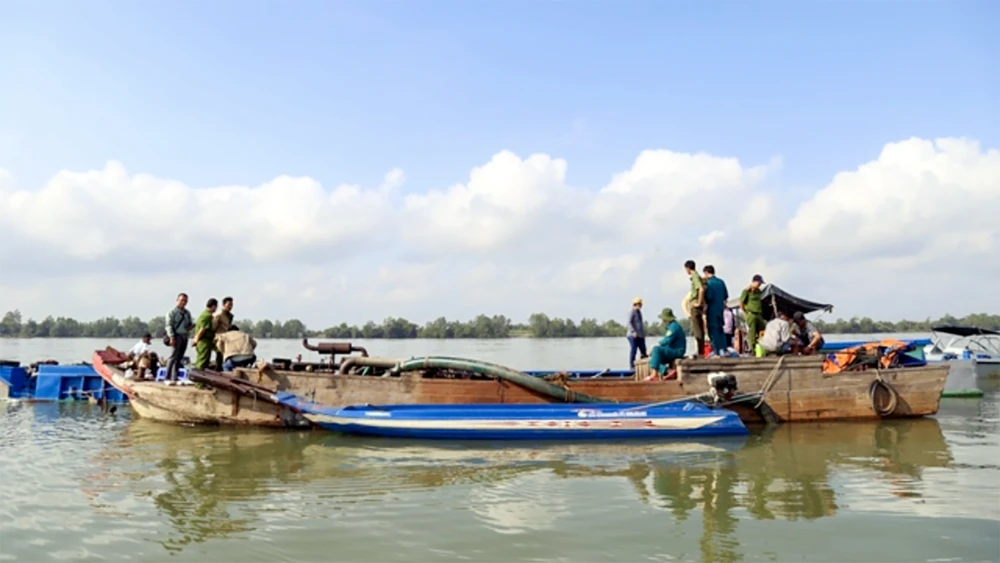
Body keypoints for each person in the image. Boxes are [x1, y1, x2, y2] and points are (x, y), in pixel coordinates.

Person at [164, 293, 194, 384]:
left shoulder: (187, 313)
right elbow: (169, 326)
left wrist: (191, 327)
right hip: (176, 336)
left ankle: (175, 377)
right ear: (177, 300)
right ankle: (167, 377)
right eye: (181, 300)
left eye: (185, 301)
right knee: (173, 357)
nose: (183, 302)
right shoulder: (172, 312)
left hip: (184, 336)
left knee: (179, 357)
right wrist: (172, 337)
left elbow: (189, 324)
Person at [649, 308, 687, 376]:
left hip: (677, 350)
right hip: (672, 349)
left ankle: (654, 375)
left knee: (656, 349)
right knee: (653, 359)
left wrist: (658, 344)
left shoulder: (674, 327)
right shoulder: (671, 326)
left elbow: (668, 340)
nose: (662, 320)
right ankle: (668, 371)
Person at [702, 265, 729, 356]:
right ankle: (725, 350)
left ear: (706, 273)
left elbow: (709, 296)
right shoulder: (721, 282)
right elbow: (725, 296)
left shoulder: (708, 283)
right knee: (721, 330)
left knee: (713, 331)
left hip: (712, 309)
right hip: (720, 309)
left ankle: (716, 352)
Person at [684, 260, 706, 357]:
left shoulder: (695, 277)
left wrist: (699, 302)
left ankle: (700, 352)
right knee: (699, 329)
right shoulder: (697, 277)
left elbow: (701, 289)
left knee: (697, 330)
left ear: (688, 268)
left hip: (695, 305)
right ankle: (700, 351)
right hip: (698, 305)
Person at [739, 274, 766, 354]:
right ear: (754, 282)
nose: (760, 284)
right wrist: (746, 312)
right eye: (759, 283)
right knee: (752, 332)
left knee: (763, 330)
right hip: (751, 313)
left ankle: (763, 347)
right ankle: (753, 349)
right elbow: (741, 303)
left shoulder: (759, 292)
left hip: (759, 314)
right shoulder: (746, 291)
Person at [191, 298, 219, 370]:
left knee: (204, 360)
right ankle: (198, 376)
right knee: (202, 360)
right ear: (213, 306)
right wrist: (196, 340)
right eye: (216, 307)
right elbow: (202, 330)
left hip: (206, 341)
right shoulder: (206, 316)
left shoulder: (206, 314)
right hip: (204, 341)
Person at [212, 296, 235, 369]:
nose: (230, 307)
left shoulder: (230, 316)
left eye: (231, 305)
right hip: (219, 338)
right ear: (224, 305)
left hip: (226, 338)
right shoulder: (219, 315)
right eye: (229, 305)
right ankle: (218, 369)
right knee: (220, 355)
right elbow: (213, 328)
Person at [627, 297, 648, 369]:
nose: (641, 306)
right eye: (640, 304)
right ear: (636, 304)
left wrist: (643, 334)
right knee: (634, 349)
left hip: (640, 335)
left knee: (643, 350)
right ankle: (632, 366)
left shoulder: (639, 312)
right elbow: (629, 323)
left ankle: (644, 365)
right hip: (632, 335)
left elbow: (640, 324)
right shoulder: (632, 312)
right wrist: (633, 332)